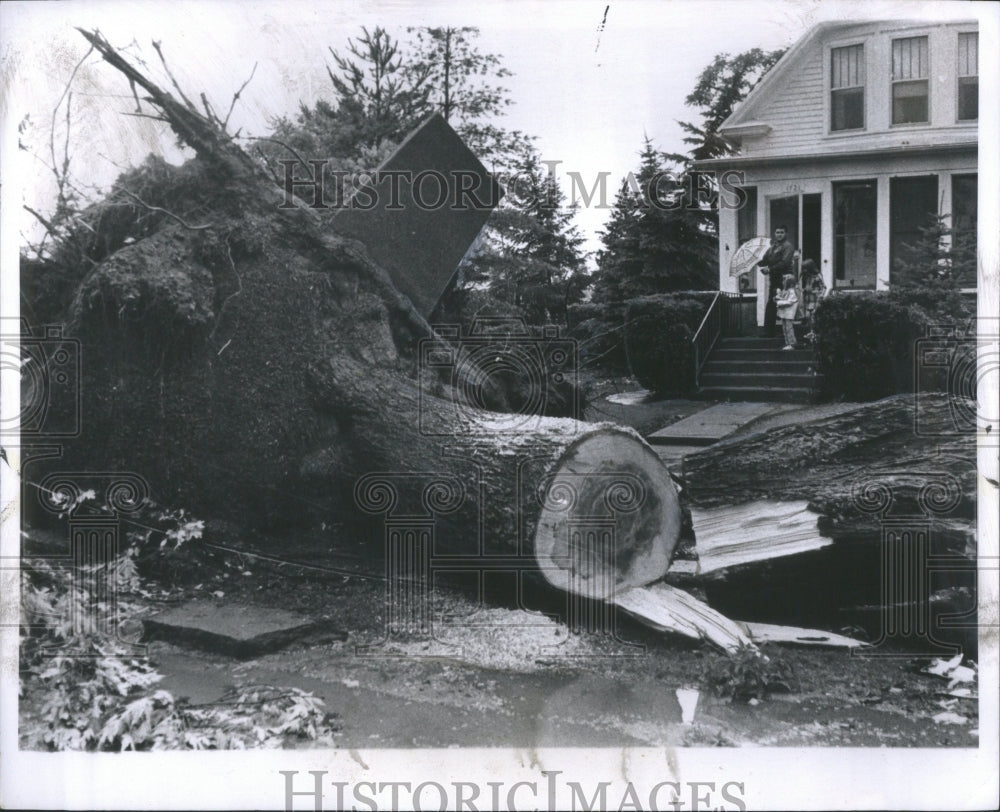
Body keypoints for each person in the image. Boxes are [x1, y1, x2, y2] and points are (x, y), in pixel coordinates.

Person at [757, 226, 797, 337]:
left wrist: (769, 269)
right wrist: (757, 260)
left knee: (782, 304)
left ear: (786, 233)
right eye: (777, 232)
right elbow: (765, 260)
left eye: (782, 232)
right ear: (774, 233)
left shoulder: (788, 246)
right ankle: (769, 331)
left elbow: (784, 263)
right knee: (772, 303)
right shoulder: (772, 248)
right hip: (774, 279)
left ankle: (786, 334)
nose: (779, 234)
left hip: (785, 279)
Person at [799, 258, 826, 341]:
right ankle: (811, 334)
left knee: (814, 318)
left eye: (805, 269)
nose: (804, 271)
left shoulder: (817, 276)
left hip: (815, 300)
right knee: (808, 318)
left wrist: (819, 298)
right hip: (808, 300)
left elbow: (823, 288)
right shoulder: (808, 276)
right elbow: (809, 286)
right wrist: (804, 289)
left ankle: (816, 336)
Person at [774, 274, 799, 350]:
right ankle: (787, 342)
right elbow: (783, 298)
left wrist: (779, 302)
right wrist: (778, 296)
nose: (783, 282)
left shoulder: (792, 291)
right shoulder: (786, 291)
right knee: (784, 328)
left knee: (789, 328)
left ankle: (792, 343)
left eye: (784, 280)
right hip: (785, 313)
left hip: (789, 313)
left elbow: (790, 302)